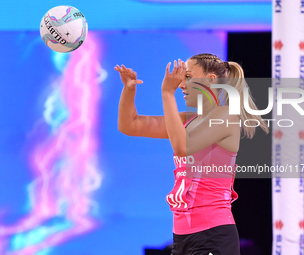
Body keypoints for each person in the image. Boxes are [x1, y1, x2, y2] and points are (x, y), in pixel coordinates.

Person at [115, 53, 269, 255]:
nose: (181, 84)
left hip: (212, 236)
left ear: (210, 79)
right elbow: (130, 125)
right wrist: (129, 89)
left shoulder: (226, 115)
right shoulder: (189, 119)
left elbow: (182, 147)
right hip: (181, 238)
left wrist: (167, 94)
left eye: (188, 77)